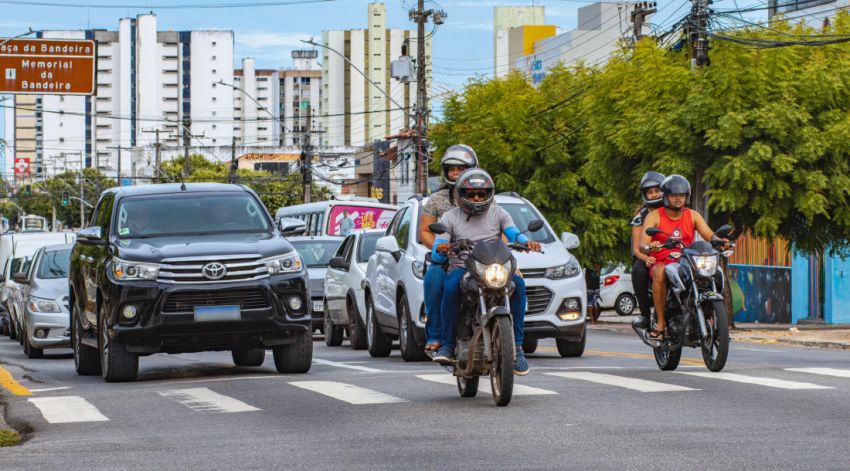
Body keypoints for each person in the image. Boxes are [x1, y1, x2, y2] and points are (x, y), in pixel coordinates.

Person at [431, 169, 541, 375]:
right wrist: (443, 246)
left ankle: (517, 347)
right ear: (460, 194)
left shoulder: (499, 213)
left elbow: (514, 233)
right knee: (450, 288)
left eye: (482, 194)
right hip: (463, 268)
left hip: (494, 267)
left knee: (519, 287)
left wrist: (528, 242)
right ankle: (447, 344)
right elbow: (439, 243)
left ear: (489, 193)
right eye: (471, 194)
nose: (476, 198)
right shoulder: (450, 217)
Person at [640, 174, 727, 340]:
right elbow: (643, 244)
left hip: (686, 260)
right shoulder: (654, 216)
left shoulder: (692, 215)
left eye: (682, 196)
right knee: (659, 271)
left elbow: (709, 235)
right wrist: (650, 246)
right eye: (674, 196)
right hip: (662, 260)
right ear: (666, 197)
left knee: (713, 272)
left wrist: (720, 241)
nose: (678, 199)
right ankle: (660, 322)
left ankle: (711, 318)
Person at [419, 144, 479, 352]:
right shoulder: (437, 199)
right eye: (451, 169)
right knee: (434, 278)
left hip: (479, 255)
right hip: (448, 256)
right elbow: (425, 230)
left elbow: (500, 229)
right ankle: (436, 334)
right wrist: (440, 246)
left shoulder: (483, 195)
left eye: (461, 168)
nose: (455, 173)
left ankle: (512, 340)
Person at [630, 171, 665, 329]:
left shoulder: (676, 210)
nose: (654, 194)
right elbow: (637, 249)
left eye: (657, 190)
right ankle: (645, 313)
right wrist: (647, 258)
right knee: (638, 270)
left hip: (672, 255)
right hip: (648, 257)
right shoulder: (640, 216)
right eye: (650, 192)